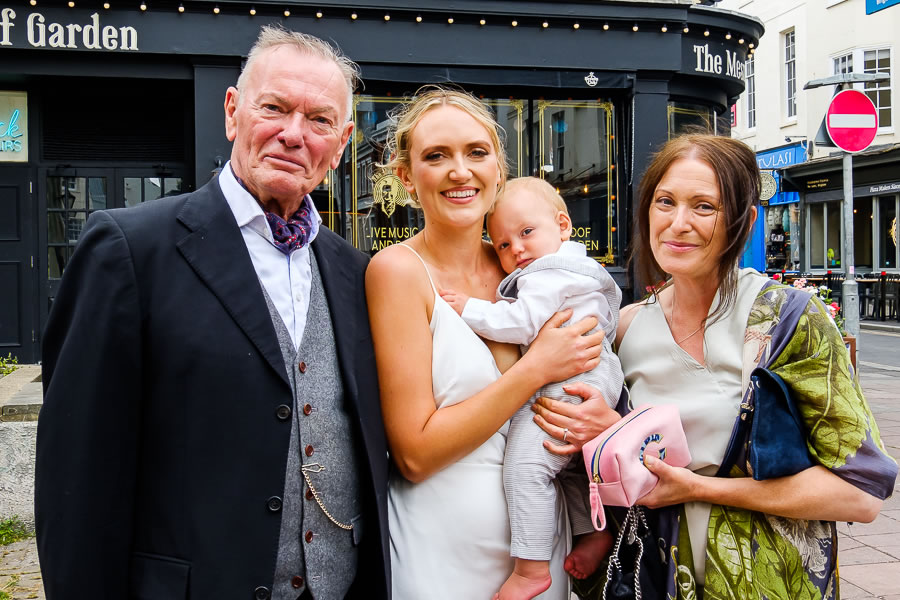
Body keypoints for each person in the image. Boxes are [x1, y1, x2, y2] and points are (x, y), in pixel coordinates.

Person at [35, 25, 390, 600]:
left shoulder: (355, 271)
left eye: (319, 120)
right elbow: (76, 474)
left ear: (343, 141)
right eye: (273, 108)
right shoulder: (129, 249)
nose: (293, 134)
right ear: (232, 112)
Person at [533, 134, 898, 599]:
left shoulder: (785, 320)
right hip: (655, 579)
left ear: (745, 221)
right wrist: (603, 434)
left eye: (704, 207)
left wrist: (699, 489)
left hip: (770, 584)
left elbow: (860, 494)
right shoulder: (624, 328)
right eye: (665, 202)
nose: (678, 223)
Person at [365, 87, 616, 600]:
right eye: (437, 156)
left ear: (498, 168)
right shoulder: (397, 271)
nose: (460, 171)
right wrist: (535, 368)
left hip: (541, 552)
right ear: (407, 177)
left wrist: (601, 420)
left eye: (476, 152)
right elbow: (414, 455)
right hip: (442, 555)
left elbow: (591, 369)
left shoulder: (524, 267)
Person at [440, 176, 619, 599]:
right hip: (596, 373)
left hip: (570, 380)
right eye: (503, 244)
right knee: (568, 466)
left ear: (563, 225)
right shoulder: (577, 268)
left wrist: (468, 309)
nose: (517, 249)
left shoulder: (548, 273)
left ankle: (531, 569)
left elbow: (521, 323)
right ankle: (593, 533)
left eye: (526, 232)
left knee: (526, 466)